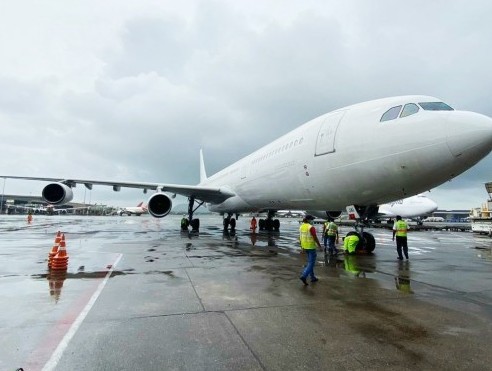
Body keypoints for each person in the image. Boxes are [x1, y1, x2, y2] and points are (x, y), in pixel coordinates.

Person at [299, 214, 322, 285]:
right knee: (311, 263)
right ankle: (304, 275)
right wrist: (319, 246)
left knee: (310, 262)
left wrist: (302, 247)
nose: (312, 220)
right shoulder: (311, 227)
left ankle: (312, 277)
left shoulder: (301, 226)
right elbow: (315, 237)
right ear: (309, 220)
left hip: (305, 246)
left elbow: (300, 237)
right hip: (311, 247)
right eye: (312, 219)